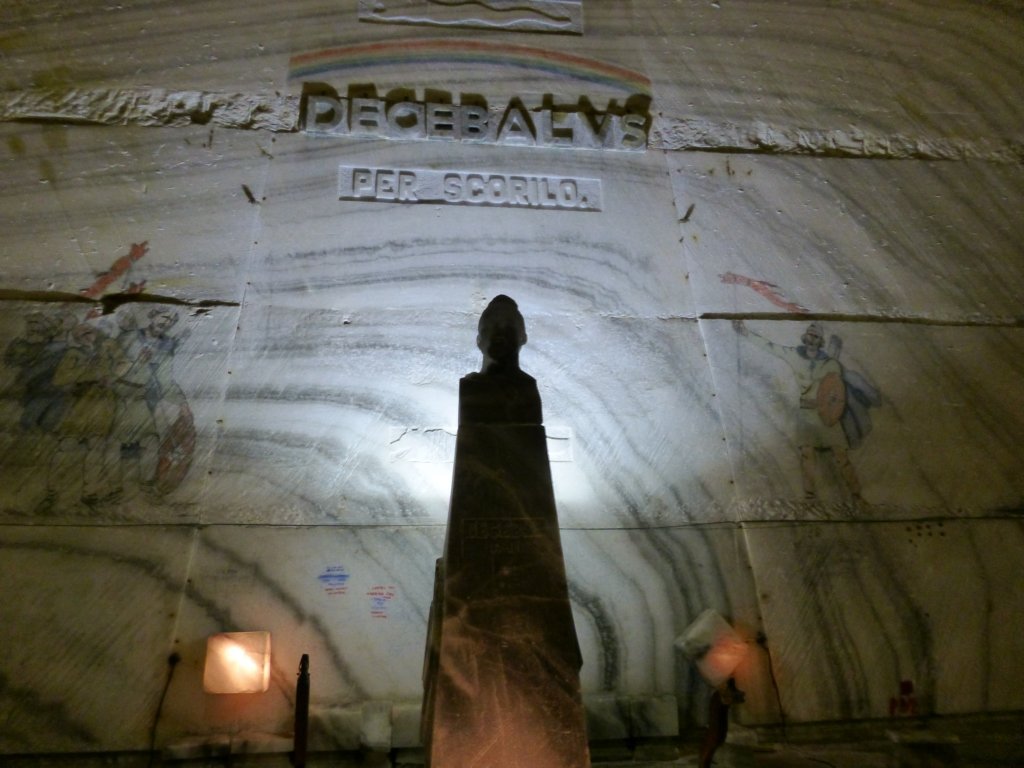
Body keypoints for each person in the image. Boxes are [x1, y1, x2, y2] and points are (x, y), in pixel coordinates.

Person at [733, 319, 861, 502]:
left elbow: (836, 392)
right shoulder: (794, 355)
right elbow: (770, 347)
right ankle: (809, 496)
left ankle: (856, 495)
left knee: (841, 455)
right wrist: (745, 333)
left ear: (820, 341)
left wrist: (831, 410)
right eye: (810, 335)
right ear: (805, 337)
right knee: (807, 455)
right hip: (807, 414)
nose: (812, 339)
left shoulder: (830, 364)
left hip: (827, 415)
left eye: (816, 337)